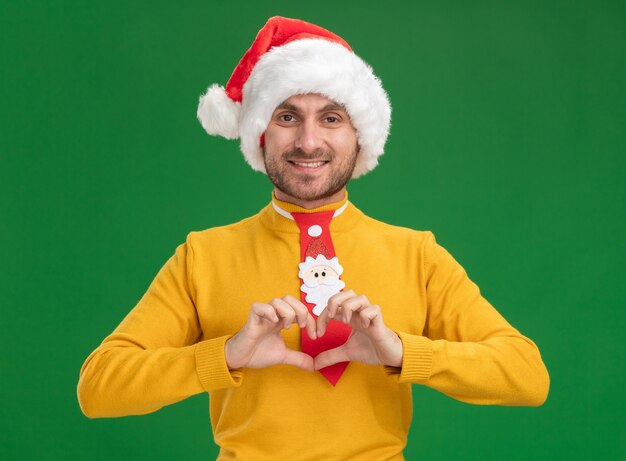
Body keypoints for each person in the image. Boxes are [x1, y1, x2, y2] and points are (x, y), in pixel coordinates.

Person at [77, 16, 549, 460]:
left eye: (330, 118)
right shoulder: (203, 255)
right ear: (259, 133)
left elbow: (527, 376)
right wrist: (224, 355)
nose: (307, 142)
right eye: (286, 117)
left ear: (360, 135)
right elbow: (99, 388)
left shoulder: (417, 255)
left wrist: (402, 351)